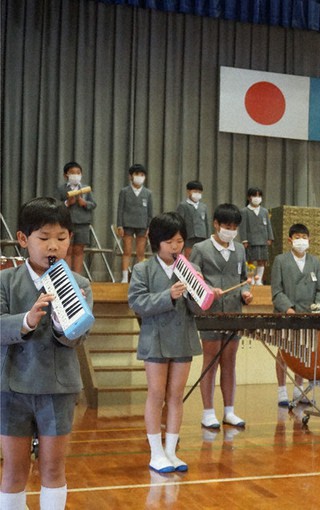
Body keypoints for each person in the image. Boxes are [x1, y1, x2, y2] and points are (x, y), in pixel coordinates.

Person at [0, 197, 93, 510]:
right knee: (14, 470)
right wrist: (27, 320)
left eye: (62, 238)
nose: (53, 246)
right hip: (10, 388)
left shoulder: (79, 284)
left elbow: (77, 337)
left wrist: (63, 321)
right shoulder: (5, 281)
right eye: (43, 238)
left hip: (58, 389)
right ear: (23, 239)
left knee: (53, 468)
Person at [128, 212, 204, 473]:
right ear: (157, 242)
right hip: (155, 339)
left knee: (176, 396)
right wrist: (168, 296)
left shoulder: (190, 269)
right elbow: (137, 303)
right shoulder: (142, 269)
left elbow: (199, 309)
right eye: (170, 241)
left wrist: (202, 294)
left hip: (183, 337)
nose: (175, 247)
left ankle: (171, 451)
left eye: (180, 241)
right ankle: (156, 452)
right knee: (156, 394)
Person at [190, 204, 253, 430]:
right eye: (227, 226)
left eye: (235, 227)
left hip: (234, 312)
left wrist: (246, 294)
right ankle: (208, 412)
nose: (231, 230)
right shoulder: (201, 248)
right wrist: (208, 288)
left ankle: (229, 411)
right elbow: (193, 278)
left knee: (230, 363)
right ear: (216, 224)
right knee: (211, 362)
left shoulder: (239, 250)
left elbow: (243, 278)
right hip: (210, 313)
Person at [271, 223, 320, 406]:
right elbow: (277, 291)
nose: (301, 241)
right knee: (284, 352)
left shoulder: (315, 261)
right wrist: (288, 308)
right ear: (290, 240)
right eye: (297, 237)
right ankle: (281, 391)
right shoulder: (280, 261)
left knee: (303, 351)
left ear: (309, 239)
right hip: (287, 314)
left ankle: (299, 388)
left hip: (308, 315)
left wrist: (319, 307)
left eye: (304, 237)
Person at [57, 161, 96, 274]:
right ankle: (68, 276)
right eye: (72, 173)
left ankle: (77, 277)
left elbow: (93, 204)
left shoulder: (86, 188)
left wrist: (85, 203)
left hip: (83, 223)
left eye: (78, 173)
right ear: (66, 175)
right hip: (67, 223)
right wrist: (67, 203)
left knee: (79, 251)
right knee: (67, 251)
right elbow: (56, 205)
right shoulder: (61, 189)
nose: (76, 175)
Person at [117, 164, 153, 283]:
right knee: (127, 251)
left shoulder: (148, 193)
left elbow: (150, 212)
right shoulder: (124, 191)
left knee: (140, 252)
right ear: (131, 176)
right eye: (137, 174)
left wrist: (149, 227)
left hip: (142, 225)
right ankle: (124, 277)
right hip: (127, 224)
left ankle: (139, 277)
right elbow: (120, 209)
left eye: (142, 175)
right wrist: (119, 225)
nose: (139, 177)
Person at [240, 187, 273, 285]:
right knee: (250, 260)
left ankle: (259, 279)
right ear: (249, 197)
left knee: (262, 260)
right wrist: (244, 240)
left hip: (263, 239)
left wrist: (270, 237)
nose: (257, 198)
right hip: (251, 240)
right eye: (254, 195)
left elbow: (268, 225)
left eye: (259, 196)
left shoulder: (264, 211)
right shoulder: (245, 211)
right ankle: (251, 278)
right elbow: (243, 227)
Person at [176, 180, 209, 259]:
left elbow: (206, 222)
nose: (197, 194)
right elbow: (179, 222)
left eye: (199, 192)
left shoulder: (203, 206)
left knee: (201, 256)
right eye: (195, 191)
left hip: (202, 236)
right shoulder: (183, 205)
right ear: (188, 191)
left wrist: (207, 236)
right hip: (189, 236)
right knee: (189, 256)